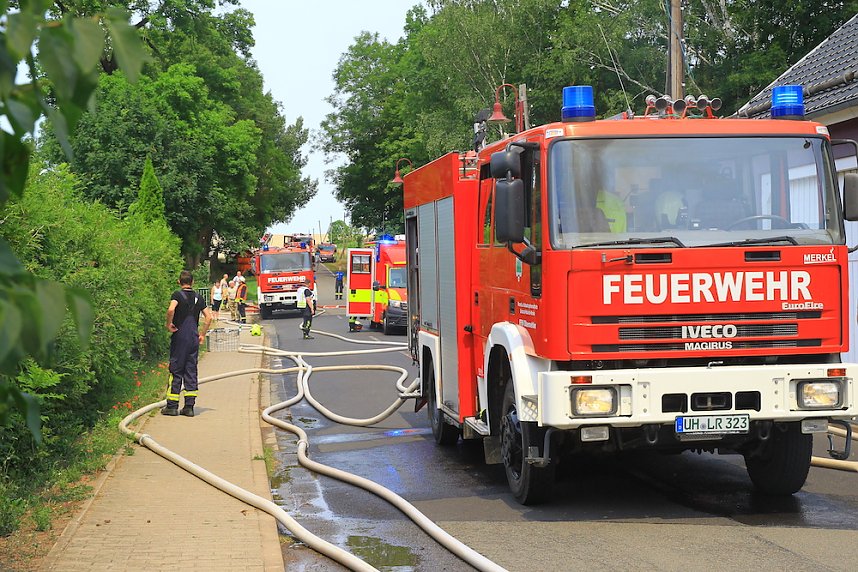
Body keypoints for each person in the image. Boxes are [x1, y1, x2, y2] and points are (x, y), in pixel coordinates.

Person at [163, 270, 212, 417]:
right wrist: (202, 334)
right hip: (193, 337)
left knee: (176, 369)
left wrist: (168, 324)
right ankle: (189, 407)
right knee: (191, 370)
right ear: (192, 282)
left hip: (180, 337)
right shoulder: (198, 297)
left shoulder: (177, 295)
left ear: (179, 282)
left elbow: (171, 309)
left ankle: (172, 406)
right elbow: (208, 317)